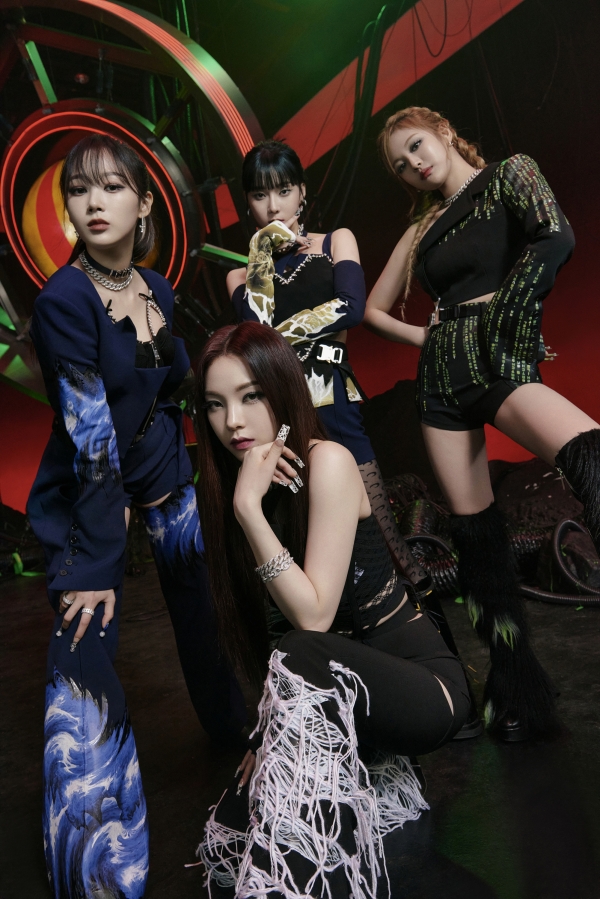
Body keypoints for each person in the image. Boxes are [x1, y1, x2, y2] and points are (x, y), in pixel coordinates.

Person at [27, 134, 245, 897]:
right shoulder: (62, 302)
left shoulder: (155, 286)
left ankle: (237, 727)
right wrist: (96, 558)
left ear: (144, 202)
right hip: (91, 496)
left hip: (163, 472)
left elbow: (170, 379)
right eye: (78, 190)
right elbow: (90, 437)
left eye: (112, 187)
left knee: (208, 603)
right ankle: (95, 857)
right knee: (84, 647)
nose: (93, 202)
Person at [193, 321, 470, 898]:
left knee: (303, 649)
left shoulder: (330, 463)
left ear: (282, 389)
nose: (233, 421)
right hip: (339, 690)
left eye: (250, 396)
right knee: (232, 834)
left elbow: (312, 621)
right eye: (216, 405)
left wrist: (250, 513)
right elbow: (271, 632)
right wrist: (265, 736)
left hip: (423, 688)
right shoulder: (236, 482)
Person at [364, 105, 597, 741]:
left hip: (497, 362)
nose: (414, 164)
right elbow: (370, 310)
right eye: (400, 164)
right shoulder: (422, 228)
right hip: (441, 381)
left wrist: (507, 311)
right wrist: (426, 335)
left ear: (442, 130)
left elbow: (555, 237)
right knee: (477, 542)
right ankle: (517, 688)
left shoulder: (508, 175)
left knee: (591, 462)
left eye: (416, 146)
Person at [226, 141, 477, 720]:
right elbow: (255, 337)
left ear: (302, 192)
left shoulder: (335, 241)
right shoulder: (242, 273)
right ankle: (343, 700)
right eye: (259, 195)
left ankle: (449, 680)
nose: (272, 205)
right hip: (281, 425)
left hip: (336, 410)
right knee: (304, 559)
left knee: (389, 545)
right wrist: (264, 259)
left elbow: (354, 308)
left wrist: (285, 332)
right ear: (248, 204)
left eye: (283, 190)